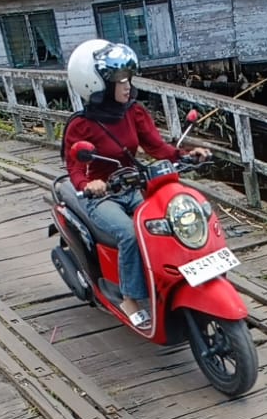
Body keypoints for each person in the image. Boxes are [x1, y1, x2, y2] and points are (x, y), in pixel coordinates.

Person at [62, 39, 209, 329]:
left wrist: (186, 154)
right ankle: (129, 298)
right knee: (130, 234)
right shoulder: (82, 125)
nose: (127, 85)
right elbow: (75, 167)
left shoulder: (133, 111)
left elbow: (157, 148)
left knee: (169, 222)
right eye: (119, 80)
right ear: (97, 84)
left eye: (128, 78)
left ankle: (169, 279)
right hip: (102, 197)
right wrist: (89, 185)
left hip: (132, 188)